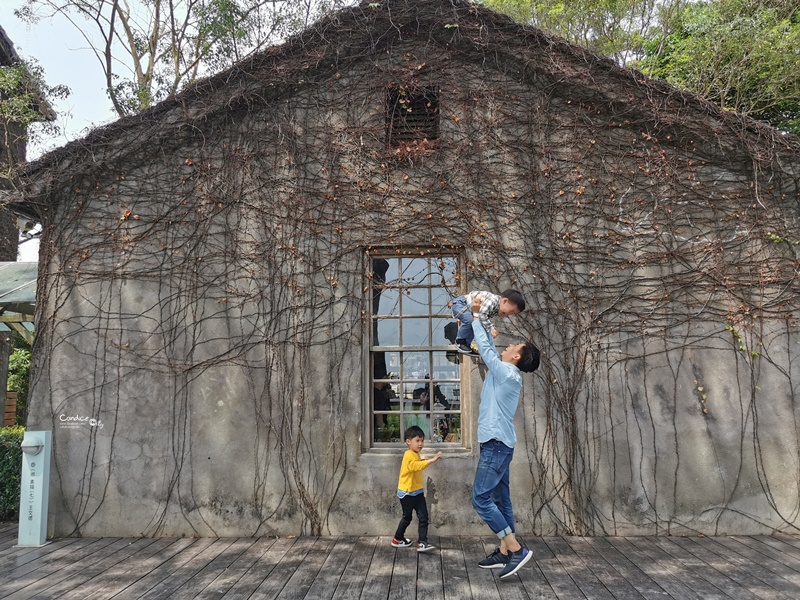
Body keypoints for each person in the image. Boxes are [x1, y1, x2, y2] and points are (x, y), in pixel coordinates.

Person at [469, 295, 540, 579]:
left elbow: (486, 351)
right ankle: (505, 551)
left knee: (480, 499)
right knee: (501, 501)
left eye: (513, 346)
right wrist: (486, 328)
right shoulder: (505, 373)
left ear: (517, 357)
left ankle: (516, 548)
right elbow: (487, 349)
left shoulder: (508, 374)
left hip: (496, 446)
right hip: (499, 445)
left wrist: (476, 317)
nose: (508, 346)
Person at [391, 425, 443, 552]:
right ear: (408, 442)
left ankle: (422, 542)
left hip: (417, 492)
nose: (420, 444)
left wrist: (422, 458)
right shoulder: (408, 454)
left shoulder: (414, 454)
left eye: (422, 441)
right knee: (407, 517)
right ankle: (397, 539)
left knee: (423, 516)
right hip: (407, 493)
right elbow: (414, 466)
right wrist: (431, 460)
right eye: (417, 441)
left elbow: (416, 462)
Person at [450, 289, 526, 356]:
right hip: (461, 304)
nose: (509, 314)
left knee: (475, 324)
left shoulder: (497, 308)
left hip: (469, 309)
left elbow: (482, 319)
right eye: (511, 311)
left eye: (513, 313)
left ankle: (466, 344)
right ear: (505, 301)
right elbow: (482, 314)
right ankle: (460, 341)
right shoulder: (493, 301)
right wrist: (491, 328)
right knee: (470, 321)